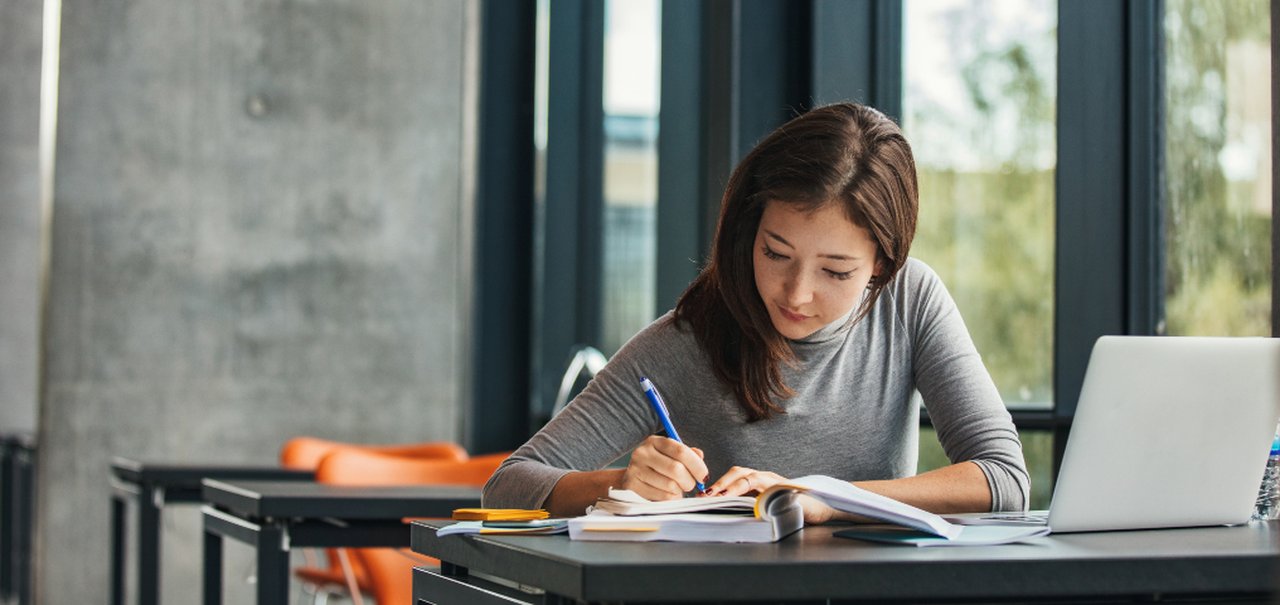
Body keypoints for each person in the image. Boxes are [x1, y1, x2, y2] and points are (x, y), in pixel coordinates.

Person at [484, 102, 1029, 524]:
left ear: (882, 266)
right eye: (775, 253)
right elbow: (508, 485)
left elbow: (1003, 479)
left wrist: (821, 496)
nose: (796, 294)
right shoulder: (689, 339)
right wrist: (619, 483)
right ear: (749, 231)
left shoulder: (909, 301)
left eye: (835, 272)